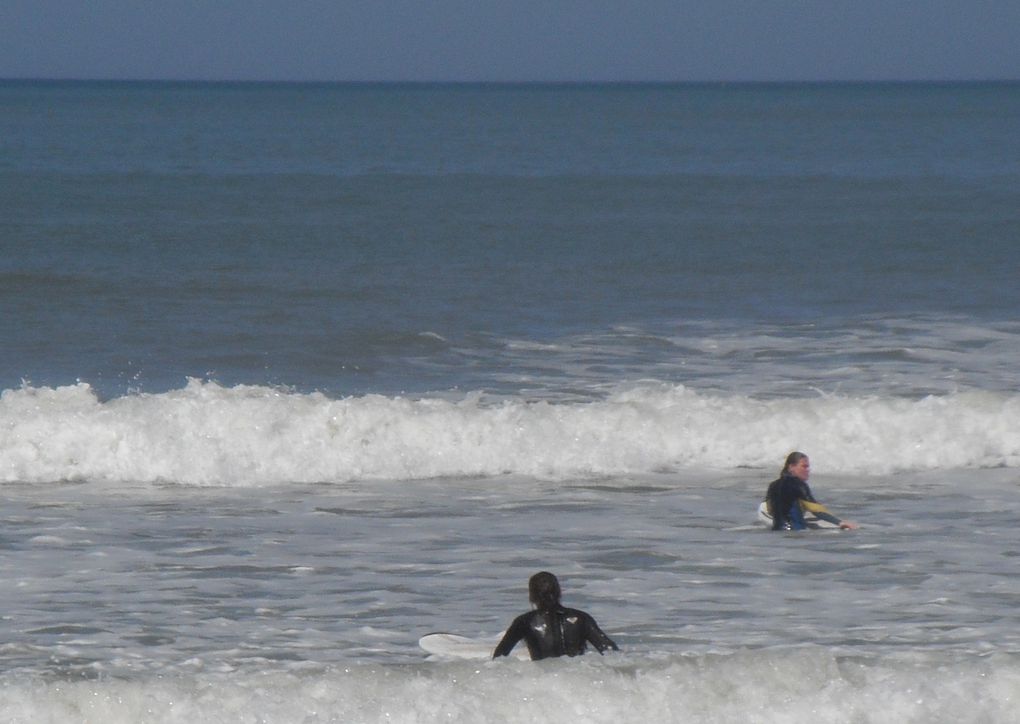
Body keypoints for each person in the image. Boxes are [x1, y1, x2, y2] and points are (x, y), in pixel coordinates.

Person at [492, 571, 619, 660]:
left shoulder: (525, 622)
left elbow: (499, 658)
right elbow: (611, 653)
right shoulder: (581, 618)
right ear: (559, 592)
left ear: (531, 596)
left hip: (546, 685)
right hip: (578, 681)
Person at [765, 452, 858, 531]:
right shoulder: (799, 485)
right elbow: (816, 510)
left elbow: (769, 509)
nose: (807, 470)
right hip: (795, 533)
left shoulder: (773, 485)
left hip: (776, 532)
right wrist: (840, 523)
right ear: (791, 467)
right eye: (804, 467)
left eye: (808, 467)